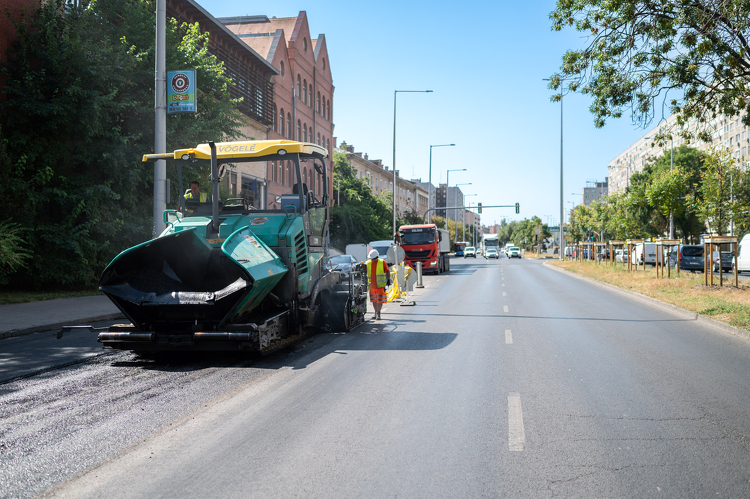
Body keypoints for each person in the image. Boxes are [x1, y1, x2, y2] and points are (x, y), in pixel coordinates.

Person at [366, 249, 390, 320]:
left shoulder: (382, 262)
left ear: (377, 257)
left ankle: (378, 312)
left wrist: (388, 279)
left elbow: (387, 271)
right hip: (371, 286)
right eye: (371, 259)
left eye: (374, 259)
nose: (372, 260)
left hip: (380, 285)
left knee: (380, 300)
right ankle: (375, 312)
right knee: (374, 300)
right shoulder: (367, 263)